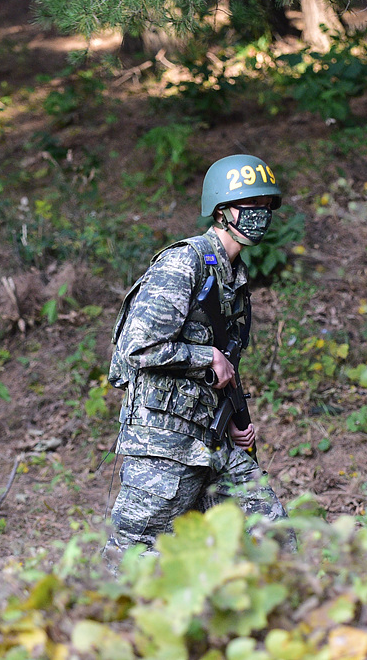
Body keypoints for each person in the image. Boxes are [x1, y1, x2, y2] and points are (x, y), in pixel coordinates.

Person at [103, 154, 290, 564]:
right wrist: (205, 355)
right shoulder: (184, 262)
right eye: (250, 206)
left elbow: (224, 365)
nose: (260, 215)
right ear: (222, 211)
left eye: (266, 206)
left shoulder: (232, 278)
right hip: (164, 444)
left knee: (270, 538)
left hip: (213, 439)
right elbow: (137, 346)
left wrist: (235, 422)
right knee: (134, 559)